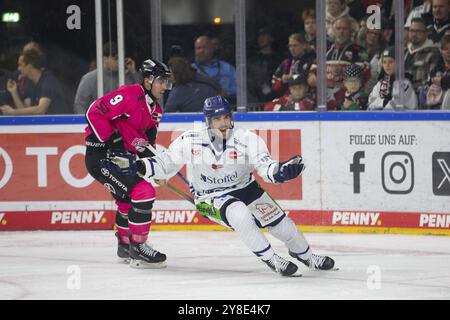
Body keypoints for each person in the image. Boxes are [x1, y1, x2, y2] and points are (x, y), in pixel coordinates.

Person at [105, 96, 336, 276]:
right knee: (239, 214)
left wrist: (282, 172)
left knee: (283, 227)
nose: (223, 123)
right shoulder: (189, 140)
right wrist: (139, 166)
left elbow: (267, 168)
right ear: (208, 121)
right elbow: (165, 164)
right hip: (209, 197)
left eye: (226, 117)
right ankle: (271, 258)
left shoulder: (248, 139)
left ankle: (306, 255)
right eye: (217, 119)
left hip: (248, 189)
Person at [84, 58, 172, 269]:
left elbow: (146, 145)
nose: (164, 86)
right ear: (148, 80)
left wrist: (154, 168)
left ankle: (124, 246)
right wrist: (112, 141)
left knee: (126, 200)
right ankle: (138, 247)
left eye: (167, 82)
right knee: (143, 192)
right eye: (161, 81)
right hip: (102, 156)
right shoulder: (129, 94)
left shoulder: (156, 110)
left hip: (123, 159)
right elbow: (94, 112)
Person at [73, 42, 140, 114]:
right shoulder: (89, 79)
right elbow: (80, 104)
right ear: (105, 59)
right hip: (99, 123)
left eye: (121, 58)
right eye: (116, 58)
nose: (119, 62)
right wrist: (88, 122)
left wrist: (133, 72)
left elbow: (142, 97)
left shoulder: (128, 77)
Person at [0, 48, 70, 115]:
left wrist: (13, 112)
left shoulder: (48, 80)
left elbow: (41, 110)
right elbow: (25, 111)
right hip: (44, 125)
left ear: (29, 66)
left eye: (20, 65)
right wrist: (14, 92)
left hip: (59, 124)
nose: (18, 68)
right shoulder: (31, 83)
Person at [192, 35, 237, 103]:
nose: (201, 51)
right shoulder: (191, 70)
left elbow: (240, 89)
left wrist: (226, 93)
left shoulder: (227, 68)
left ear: (212, 48)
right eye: (198, 48)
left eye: (204, 47)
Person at [405, 17, 441, 94]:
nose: (414, 34)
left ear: (426, 33)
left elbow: (431, 81)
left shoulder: (434, 53)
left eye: (418, 31)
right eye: (412, 31)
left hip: (420, 97)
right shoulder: (404, 52)